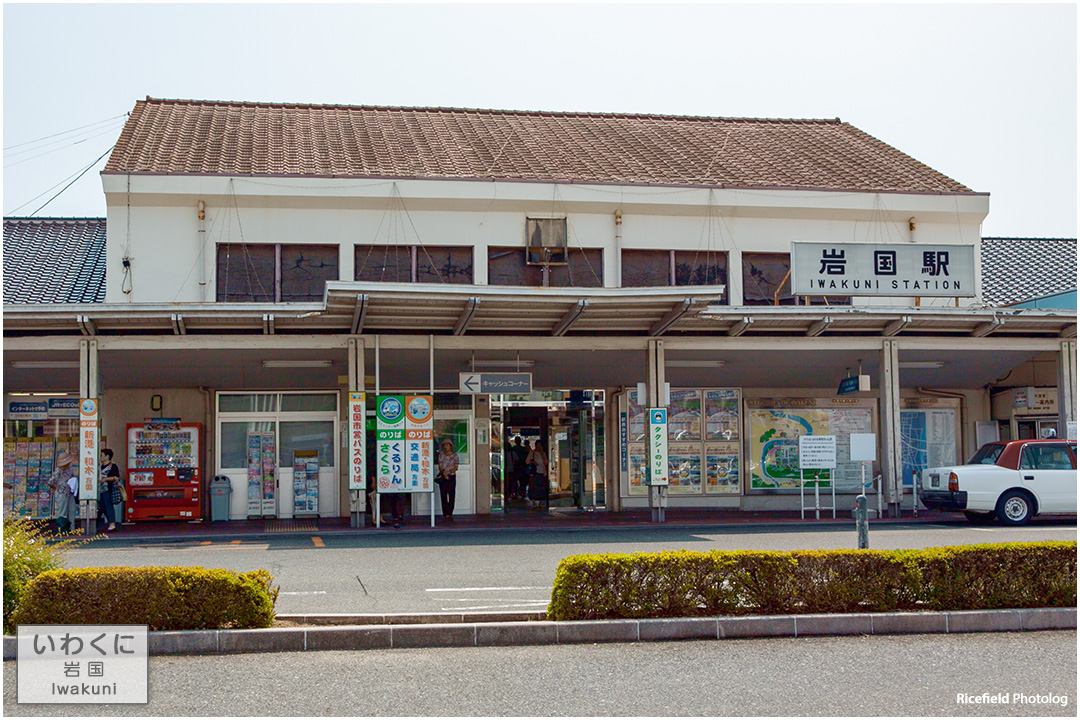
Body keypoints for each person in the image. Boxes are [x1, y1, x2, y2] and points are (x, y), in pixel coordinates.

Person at [49, 452, 78, 534]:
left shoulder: (67, 470)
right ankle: (61, 529)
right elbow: (51, 482)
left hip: (69, 493)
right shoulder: (58, 471)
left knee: (72, 510)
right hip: (61, 493)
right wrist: (54, 489)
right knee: (62, 511)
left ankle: (71, 528)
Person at [436, 439, 459, 521]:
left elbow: (456, 467)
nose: (446, 447)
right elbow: (440, 466)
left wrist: (449, 472)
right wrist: (444, 473)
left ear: (451, 446)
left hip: (451, 476)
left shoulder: (455, 455)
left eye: (447, 445)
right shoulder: (441, 455)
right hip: (443, 476)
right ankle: (445, 513)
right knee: (443, 495)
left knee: (452, 495)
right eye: (444, 445)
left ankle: (450, 512)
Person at [99, 448, 121, 531]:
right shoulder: (99, 466)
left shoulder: (113, 466)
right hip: (100, 490)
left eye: (101, 455)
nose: (100, 457)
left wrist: (106, 479)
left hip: (108, 489)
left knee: (108, 506)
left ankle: (112, 524)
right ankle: (109, 522)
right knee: (102, 506)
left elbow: (117, 477)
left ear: (107, 456)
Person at [526, 440, 548, 508]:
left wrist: (542, 454)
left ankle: (541, 502)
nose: (539, 447)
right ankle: (534, 502)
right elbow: (527, 461)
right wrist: (533, 462)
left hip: (542, 472)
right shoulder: (532, 453)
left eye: (540, 445)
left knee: (541, 487)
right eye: (538, 445)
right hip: (535, 472)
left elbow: (546, 463)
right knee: (534, 487)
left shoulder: (543, 454)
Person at [508, 436, 529, 500]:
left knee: (514, 481)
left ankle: (515, 492)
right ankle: (522, 492)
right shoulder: (524, 449)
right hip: (522, 467)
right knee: (523, 481)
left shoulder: (513, 449)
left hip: (515, 468)